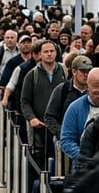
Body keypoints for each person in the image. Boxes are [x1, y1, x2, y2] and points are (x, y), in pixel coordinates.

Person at [19, 39, 66, 168]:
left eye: (52, 51)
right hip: (40, 130)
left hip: (60, 127)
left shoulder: (64, 72)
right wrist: (31, 118)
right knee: (40, 164)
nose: (49, 54)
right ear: (39, 55)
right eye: (46, 51)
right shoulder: (31, 75)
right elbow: (25, 101)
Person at [59, 67, 99, 162]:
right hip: (82, 166)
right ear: (87, 87)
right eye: (96, 86)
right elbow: (66, 140)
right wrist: (83, 157)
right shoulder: (74, 108)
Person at [45, 55, 91, 143]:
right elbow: (49, 116)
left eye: (89, 71)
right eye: (83, 71)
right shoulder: (62, 90)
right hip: (66, 141)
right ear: (74, 71)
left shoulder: (94, 91)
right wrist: (62, 134)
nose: (86, 74)